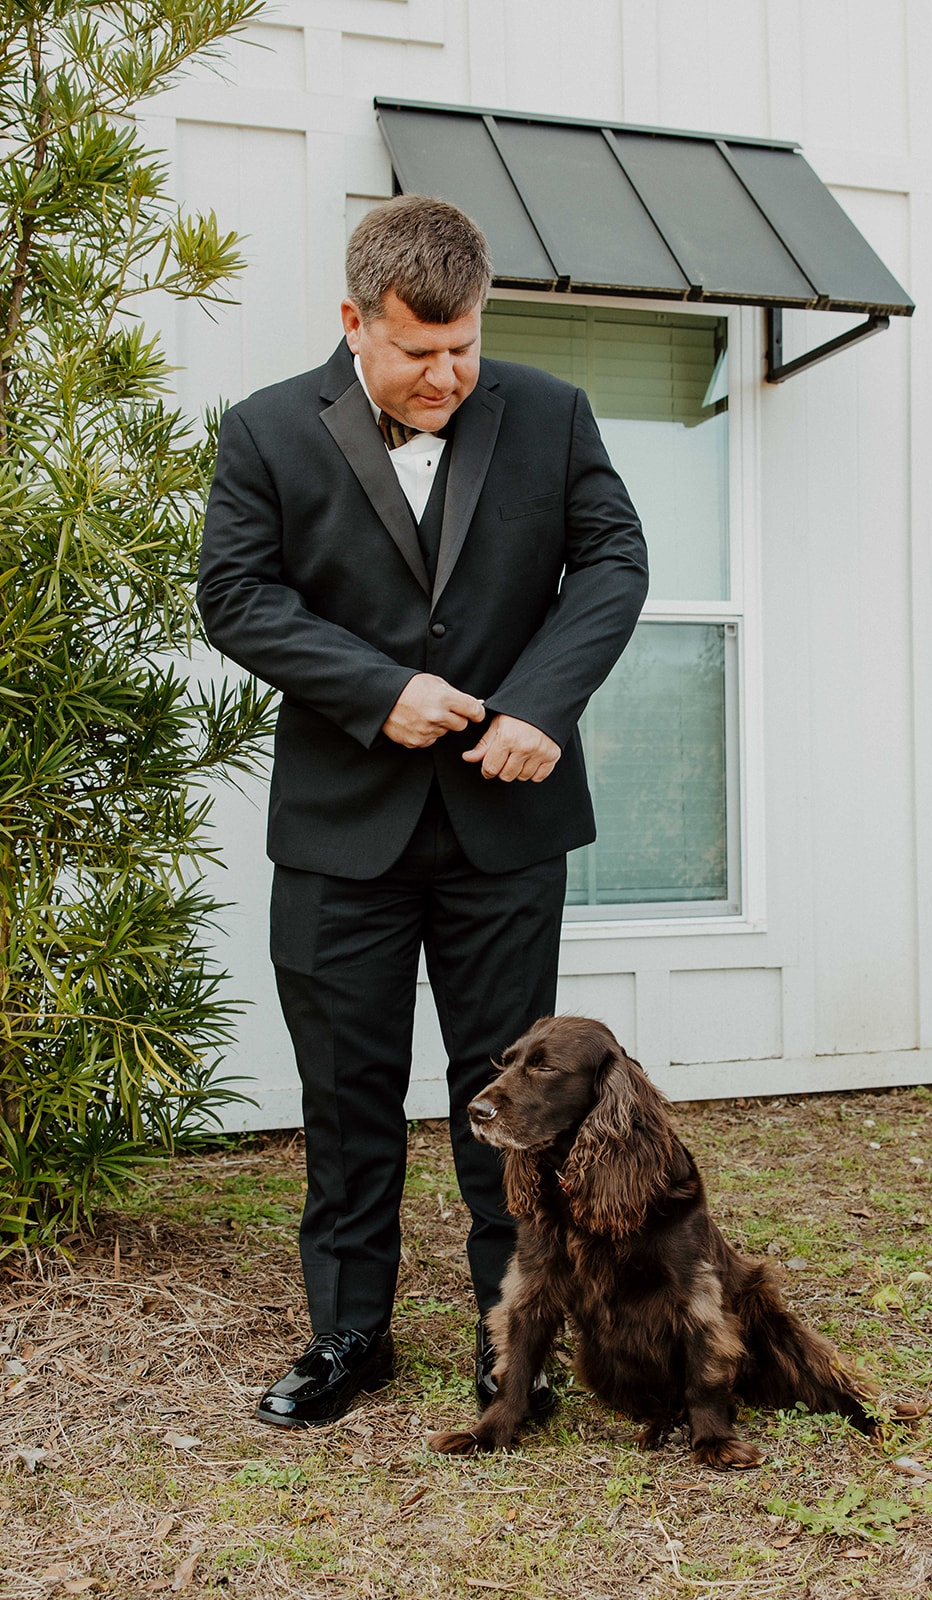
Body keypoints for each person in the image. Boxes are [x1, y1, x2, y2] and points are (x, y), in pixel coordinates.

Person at [198, 195, 648, 1429]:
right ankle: (349, 1335)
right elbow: (233, 595)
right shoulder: (267, 430)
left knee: (514, 1099)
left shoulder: (549, 413)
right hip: (342, 828)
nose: (447, 373)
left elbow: (613, 561)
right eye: (417, 350)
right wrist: (375, 690)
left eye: (465, 346)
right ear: (354, 321)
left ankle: (516, 1339)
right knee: (347, 1092)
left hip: (506, 822)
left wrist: (540, 705)